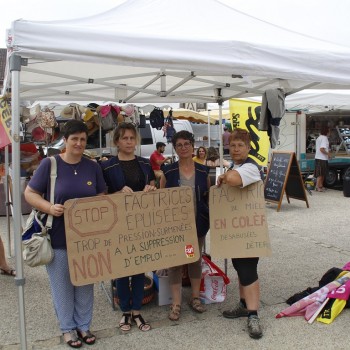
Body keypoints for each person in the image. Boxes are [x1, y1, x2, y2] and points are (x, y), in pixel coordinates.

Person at [24, 120, 106, 348]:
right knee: (62, 285)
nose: (79, 143)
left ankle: (84, 325)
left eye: (82, 139)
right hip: (58, 237)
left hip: (87, 239)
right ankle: (68, 329)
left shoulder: (93, 167)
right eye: (74, 139)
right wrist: (49, 207)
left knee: (85, 283)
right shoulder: (50, 165)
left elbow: (102, 196)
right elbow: (30, 193)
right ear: (65, 141)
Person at [101, 122, 156, 333]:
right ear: (117, 141)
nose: (129, 142)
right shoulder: (106, 167)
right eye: (124, 138)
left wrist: (151, 188)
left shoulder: (144, 163)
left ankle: (136, 310)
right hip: (118, 224)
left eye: (132, 138)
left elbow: (153, 186)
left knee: (140, 265)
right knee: (123, 267)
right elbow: (101, 197)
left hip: (141, 222)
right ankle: (125, 309)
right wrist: (116, 195)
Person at [216, 128, 264, 340]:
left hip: (250, 232)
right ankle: (244, 305)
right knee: (239, 266)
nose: (235, 149)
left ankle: (253, 315)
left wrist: (224, 177)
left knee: (248, 270)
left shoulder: (251, 167)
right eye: (232, 145)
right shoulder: (237, 165)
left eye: (240, 145)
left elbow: (234, 180)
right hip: (239, 230)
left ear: (249, 147)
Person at [160, 130, 210, 321]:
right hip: (175, 227)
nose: (183, 148)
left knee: (193, 259)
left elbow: (207, 196)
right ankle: (176, 303)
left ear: (193, 146)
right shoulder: (169, 171)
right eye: (179, 145)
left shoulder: (203, 171)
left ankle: (195, 298)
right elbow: (161, 197)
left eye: (186, 144)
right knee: (175, 262)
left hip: (196, 225)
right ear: (175, 148)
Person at [315, 126, 331, 192]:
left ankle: (321, 186)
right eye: (329, 131)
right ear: (326, 131)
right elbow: (321, 149)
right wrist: (328, 154)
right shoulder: (324, 138)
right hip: (322, 158)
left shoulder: (319, 137)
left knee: (322, 173)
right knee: (321, 174)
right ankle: (317, 187)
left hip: (319, 158)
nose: (330, 132)